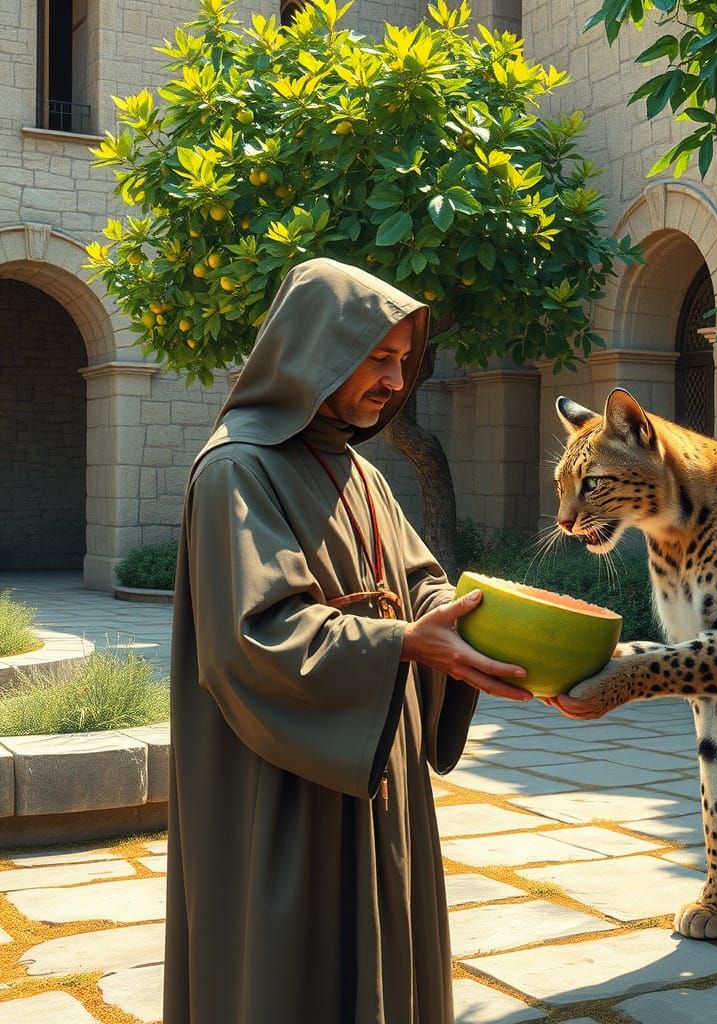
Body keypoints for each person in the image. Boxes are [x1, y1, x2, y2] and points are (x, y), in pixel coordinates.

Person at [163, 258, 530, 1024]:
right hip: (284, 785)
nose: (396, 381)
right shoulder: (237, 470)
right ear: (315, 350)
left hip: (374, 767)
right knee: (287, 973)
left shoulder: (358, 471)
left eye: (404, 361)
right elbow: (256, 635)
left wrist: (497, 628)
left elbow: (422, 582)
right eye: (379, 358)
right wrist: (400, 643)